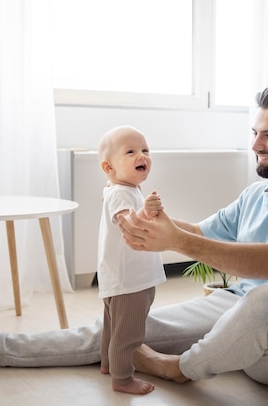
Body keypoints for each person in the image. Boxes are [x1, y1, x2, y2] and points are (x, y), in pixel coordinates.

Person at [0, 81, 268, 390]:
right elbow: (196, 232)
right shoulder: (258, 194)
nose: (256, 145)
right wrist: (154, 226)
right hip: (235, 310)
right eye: (254, 133)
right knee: (126, 325)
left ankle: (179, 368)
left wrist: (175, 241)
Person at [95, 125, 166, 394]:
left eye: (145, 150)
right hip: (131, 280)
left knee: (112, 326)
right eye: (131, 151)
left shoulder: (123, 189)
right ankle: (122, 378)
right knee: (129, 333)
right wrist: (146, 213)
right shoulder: (122, 193)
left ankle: (107, 363)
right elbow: (127, 223)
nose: (142, 156)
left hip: (119, 277)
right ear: (108, 167)